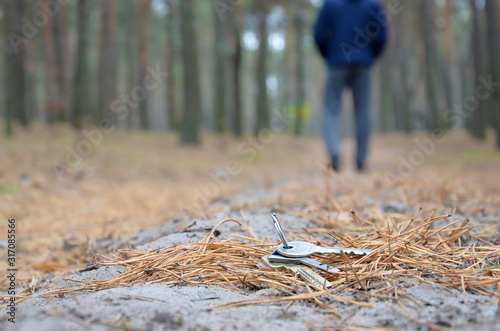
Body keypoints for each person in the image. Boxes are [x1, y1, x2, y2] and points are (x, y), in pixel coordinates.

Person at [313, 0, 387, 171]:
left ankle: (334, 153)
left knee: (330, 109)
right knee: (362, 110)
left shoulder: (330, 5)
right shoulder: (373, 5)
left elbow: (318, 34)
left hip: (336, 62)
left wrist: (329, 55)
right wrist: (369, 55)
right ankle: (361, 160)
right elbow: (382, 36)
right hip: (363, 63)